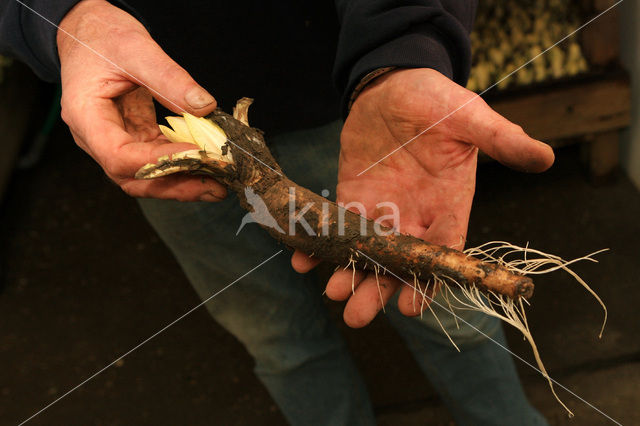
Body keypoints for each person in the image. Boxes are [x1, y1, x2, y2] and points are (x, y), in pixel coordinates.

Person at [1, 1, 555, 424]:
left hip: (348, 95)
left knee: (443, 308)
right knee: (277, 338)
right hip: (155, 135)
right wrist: (61, 20)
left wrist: (403, 47)